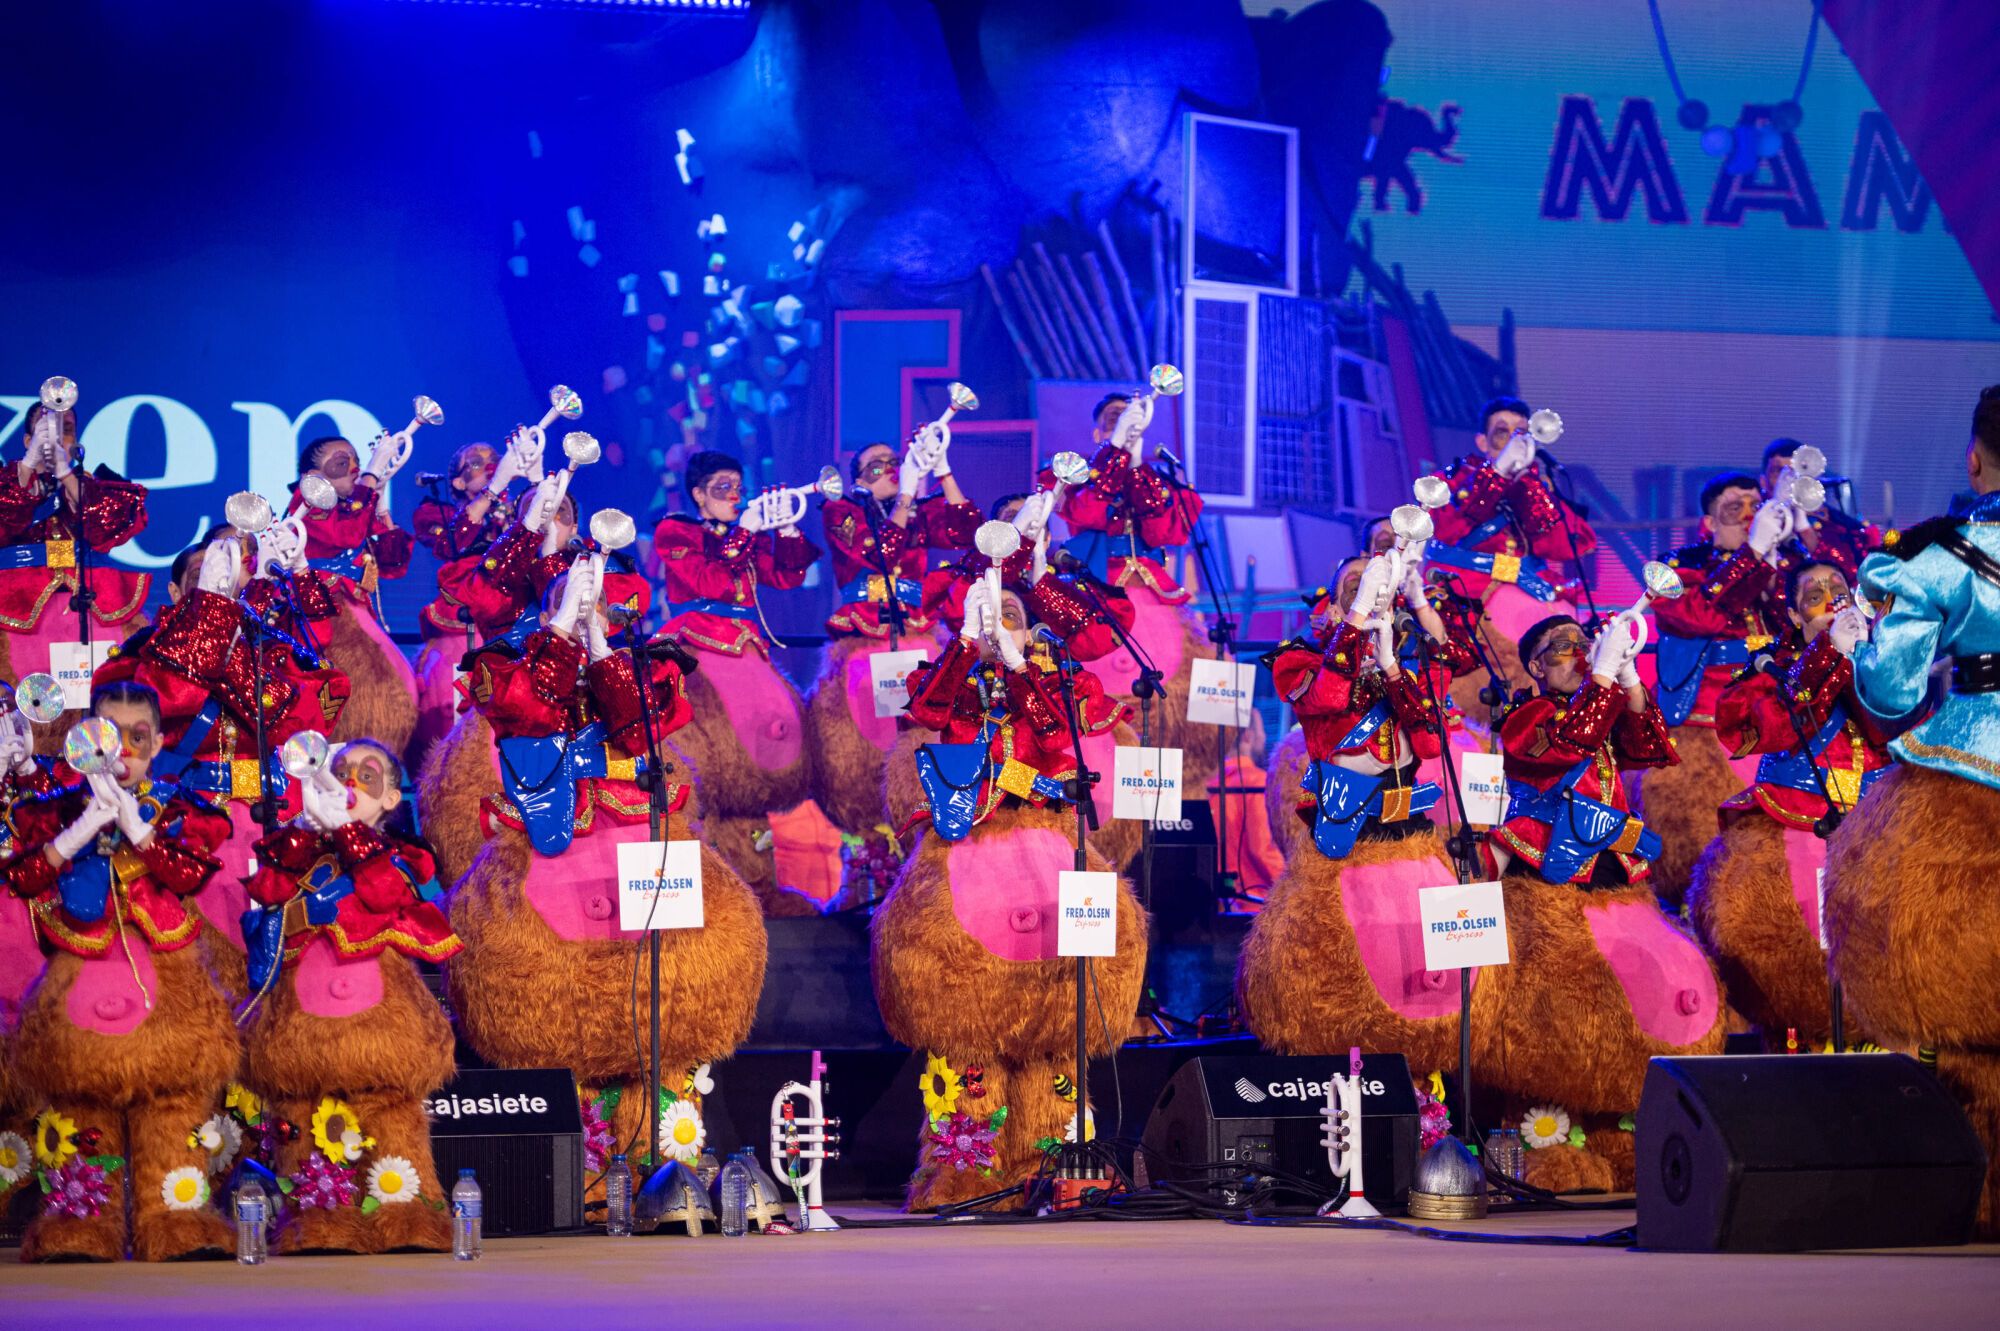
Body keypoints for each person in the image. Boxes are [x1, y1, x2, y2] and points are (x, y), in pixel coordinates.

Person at [446, 552, 766, 1210]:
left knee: (662, 1012)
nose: (591, 605)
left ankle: (666, 1167)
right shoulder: (504, 663)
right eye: (575, 597)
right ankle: (585, 1178)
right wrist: (560, 633)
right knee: (569, 1023)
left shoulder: (646, 665)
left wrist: (598, 643)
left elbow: (639, 725)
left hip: (641, 846)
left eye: (600, 600)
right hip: (556, 854)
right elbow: (523, 714)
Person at [870, 577, 1145, 1210]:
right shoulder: (950, 675)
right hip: (969, 846)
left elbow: (1054, 738)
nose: (1000, 621)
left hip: (1047, 846)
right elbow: (930, 711)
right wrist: (970, 638)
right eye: (988, 612)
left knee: (1055, 1039)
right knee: (968, 1038)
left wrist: (1019, 661)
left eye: (1011, 613)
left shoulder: (1057, 681)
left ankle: (1048, 1164)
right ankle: (966, 1169)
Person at [1825, 385, 2000, 1239]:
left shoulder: (1943, 561)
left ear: (1974, 458)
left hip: (1963, 763)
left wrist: (1863, 641)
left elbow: (1890, 688)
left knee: (1943, 973)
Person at [1472, 612, 1725, 1193]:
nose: (1581, 655)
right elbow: (1568, 745)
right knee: (1551, 1002)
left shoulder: (1602, 706)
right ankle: (1546, 1138)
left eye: (1587, 645)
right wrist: (1603, 675)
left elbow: (1654, 747)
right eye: (1565, 649)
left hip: (1614, 871)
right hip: (1548, 874)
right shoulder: (1526, 718)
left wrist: (1629, 677)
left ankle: (1619, 1134)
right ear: (1536, 667)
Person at [6, 681, 237, 1261]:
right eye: (111, 736)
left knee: (171, 1102)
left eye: (139, 738)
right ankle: (82, 1222)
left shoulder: (181, 808)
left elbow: (190, 876)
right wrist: (79, 830)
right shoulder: (53, 807)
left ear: (158, 742)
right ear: (86, 738)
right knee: (82, 1106)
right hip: (81, 983)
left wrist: (139, 829)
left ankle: (175, 1217)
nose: (125, 751)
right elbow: (23, 877)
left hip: (165, 990)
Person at [1237, 548, 1478, 1077]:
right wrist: (1358, 617)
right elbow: (1325, 695)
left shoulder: (1404, 650)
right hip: (1341, 827)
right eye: (1352, 579)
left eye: (1373, 579)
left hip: (1409, 825)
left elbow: (1433, 738)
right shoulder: (1299, 653)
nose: (1365, 584)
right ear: (1331, 597)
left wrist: (1408, 620)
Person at [94, 532, 352, 1000]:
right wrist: (210, 617)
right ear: (175, 594)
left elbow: (305, 719)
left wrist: (241, 627)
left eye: (233, 575)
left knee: (283, 950)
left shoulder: (272, 648)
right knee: (202, 957)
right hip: (190, 824)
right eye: (205, 577)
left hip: (272, 820)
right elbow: (165, 701)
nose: (224, 583)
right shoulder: (147, 650)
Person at [240, 738, 460, 1254]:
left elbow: (385, 893)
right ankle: (318, 1214)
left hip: (379, 1023)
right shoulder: (299, 856)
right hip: (304, 1029)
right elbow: (267, 898)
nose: (352, 783)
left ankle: (406, 1211)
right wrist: (302, 830)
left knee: (393, 1116)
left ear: (391, 799)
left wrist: (346, 830)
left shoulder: (400, 855)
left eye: (369, 774)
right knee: (303, 1113)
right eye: (340, 773)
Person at [1689, 561, 1890, 1046]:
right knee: (1802, 954)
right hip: (1796, 821)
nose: (1830, 597)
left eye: (1838, 588)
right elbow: (1769, 726)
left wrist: (1862, 658)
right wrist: (1827, 655)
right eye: (1814, 592)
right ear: (1794, 611)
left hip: (1876, 817)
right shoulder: (1767, 665)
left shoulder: (1882, 657)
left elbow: (1893, 725)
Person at [651, 450, 820, 913]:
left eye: (738, 486)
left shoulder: (739, 537)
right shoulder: (677, 530)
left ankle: (761, 884)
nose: (734, 495)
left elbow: (786, 576)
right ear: (699, 495)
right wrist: (748, 528)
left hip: (745, 642)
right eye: (722, 487)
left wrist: (784, 527)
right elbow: (710, 581)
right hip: (698, 640)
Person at [1044, 390, 1217, 802]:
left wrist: (1134, 461)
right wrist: (1116, 450)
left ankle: (1168, 800)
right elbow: (1086, 512)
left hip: (1154, 594)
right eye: (1111, 417)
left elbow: (1163, 531)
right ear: (1096, 429)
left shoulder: (1156, 477)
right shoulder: (1072, 474)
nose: (1120, 420)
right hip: (1097, 592)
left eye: (1128, 417)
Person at [804, 437, 978, 846]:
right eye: (876, 464)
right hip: (864, 635)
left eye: (894, 461)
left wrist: (942, 469)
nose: (890, 467)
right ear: (859, 480)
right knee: (866, 739)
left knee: (927, 727)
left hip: (916, 631)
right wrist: (904, 496)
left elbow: (966, 529)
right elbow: (877, 552)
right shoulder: (841, 510)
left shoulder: (916, 508)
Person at [1634, 474, 1798, 901]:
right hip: (1707, 722)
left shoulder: (1785, 564)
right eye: (1734, 507)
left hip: (1780, 716)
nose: (1748, 515)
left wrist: (1784, 557)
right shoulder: (1677, 564)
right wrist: (1753, 555)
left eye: (1755, 505)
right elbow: (1697, 616)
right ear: (1708, 521)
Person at [1421, 396, 1597, 702]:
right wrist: (1496, 475)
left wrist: (1529, 486)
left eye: (1522, 433)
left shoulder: (1537, 486)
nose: (1514, 440)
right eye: (1503, 432)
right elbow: (1445, 529)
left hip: (1530, 590)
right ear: (1482, 441)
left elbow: (1570, 545)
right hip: (1471, 594)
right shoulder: (1454, 480)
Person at [0, 402, 151, 727]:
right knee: (24, 723)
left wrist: (66, 473)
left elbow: (107, 529)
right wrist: (28, 468)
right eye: (45, 429)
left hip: (92, 611)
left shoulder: (98, 488)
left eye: (64, 429)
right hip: (20, 617)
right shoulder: (7, 486)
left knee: (101, 718)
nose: (55, 436)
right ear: (27, 441)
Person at [287, 434, 418, 754]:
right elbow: (344, 535)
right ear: (313, 476)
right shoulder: (307, 501)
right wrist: (371, 476)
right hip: (325, 615)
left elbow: (394, 562)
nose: (354, 469)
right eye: (341, 463)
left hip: (355, 607)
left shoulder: (356, 507)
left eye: (357, 462)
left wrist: (381, 503)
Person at [409, 440, 521, 765]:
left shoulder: (516, 511)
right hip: (462, 626)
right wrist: (493, 491)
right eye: (476, 462)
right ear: (458, 482)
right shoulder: (435, 513)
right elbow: (450, 544)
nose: (489, 465)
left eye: (494, 460)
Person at [1759, 438, 1881, 579]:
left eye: (1797, 472)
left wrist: (1804, 528)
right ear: (1763, 482)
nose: (1789, 480)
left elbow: (1848, 578)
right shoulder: (1751, 523)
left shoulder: (1834, 524)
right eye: (1779, 472)